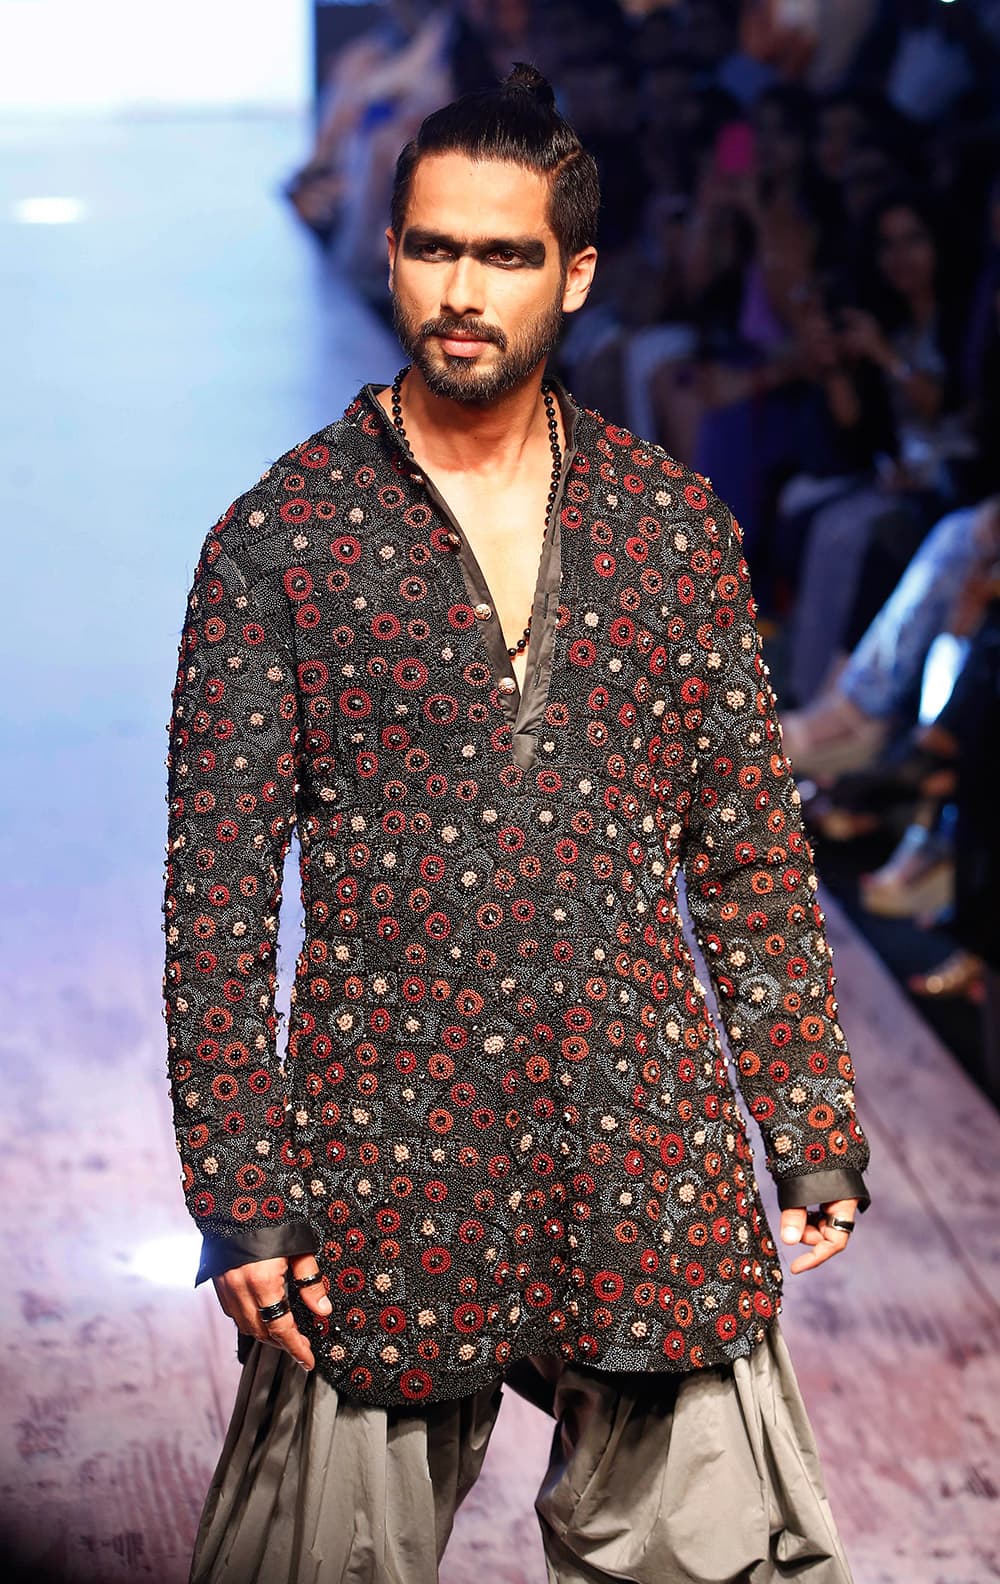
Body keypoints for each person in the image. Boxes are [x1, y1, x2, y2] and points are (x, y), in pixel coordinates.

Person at [162, 64, 871, 1584]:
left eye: (504, 255)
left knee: (713, 1565)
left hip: (645, 1144)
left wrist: (806, 1129)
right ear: (394, 251)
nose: (461, 291)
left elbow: (746, 855)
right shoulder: (281, 544)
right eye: (432, 248)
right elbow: (215, 909)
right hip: (379, 1154)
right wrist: (239, 1191)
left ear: (577, 271)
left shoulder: (670, 531)